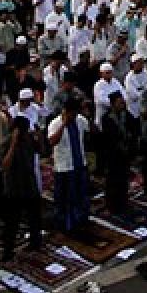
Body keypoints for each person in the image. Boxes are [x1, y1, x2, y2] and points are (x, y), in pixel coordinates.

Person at [0, 116, 42, 260]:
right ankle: (8, 251)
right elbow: (4, 165)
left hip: (29, 184)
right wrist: (13, 144)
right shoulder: (6, 142)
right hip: (14, 187)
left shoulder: (29, 139)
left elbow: (41, 150)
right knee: (12, 222)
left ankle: (35, 242)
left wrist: (39, 137)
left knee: (34, 217)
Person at [47, 96, 89, 233]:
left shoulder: (80, 121)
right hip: (64, 167)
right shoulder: (55, 124)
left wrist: (89, 116)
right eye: (72, 113)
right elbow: (52, 142)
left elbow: (91, 132)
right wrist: (63, 125)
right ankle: (63, 224)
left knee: (80, 194)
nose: (74, 116)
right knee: (63, 198)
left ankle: (80, 220)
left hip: (79, 164)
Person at [99, 92, 137, 216]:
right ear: (113, 103)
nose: (122, 104)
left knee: (123, 180)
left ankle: (123, 203)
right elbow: (110, 137)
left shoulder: (126, 115)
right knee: (112, 181)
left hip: (124, 153)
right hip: (113, 154)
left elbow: (133, 128)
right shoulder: (106, 118)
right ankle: (111, 206)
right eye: (120, 102)